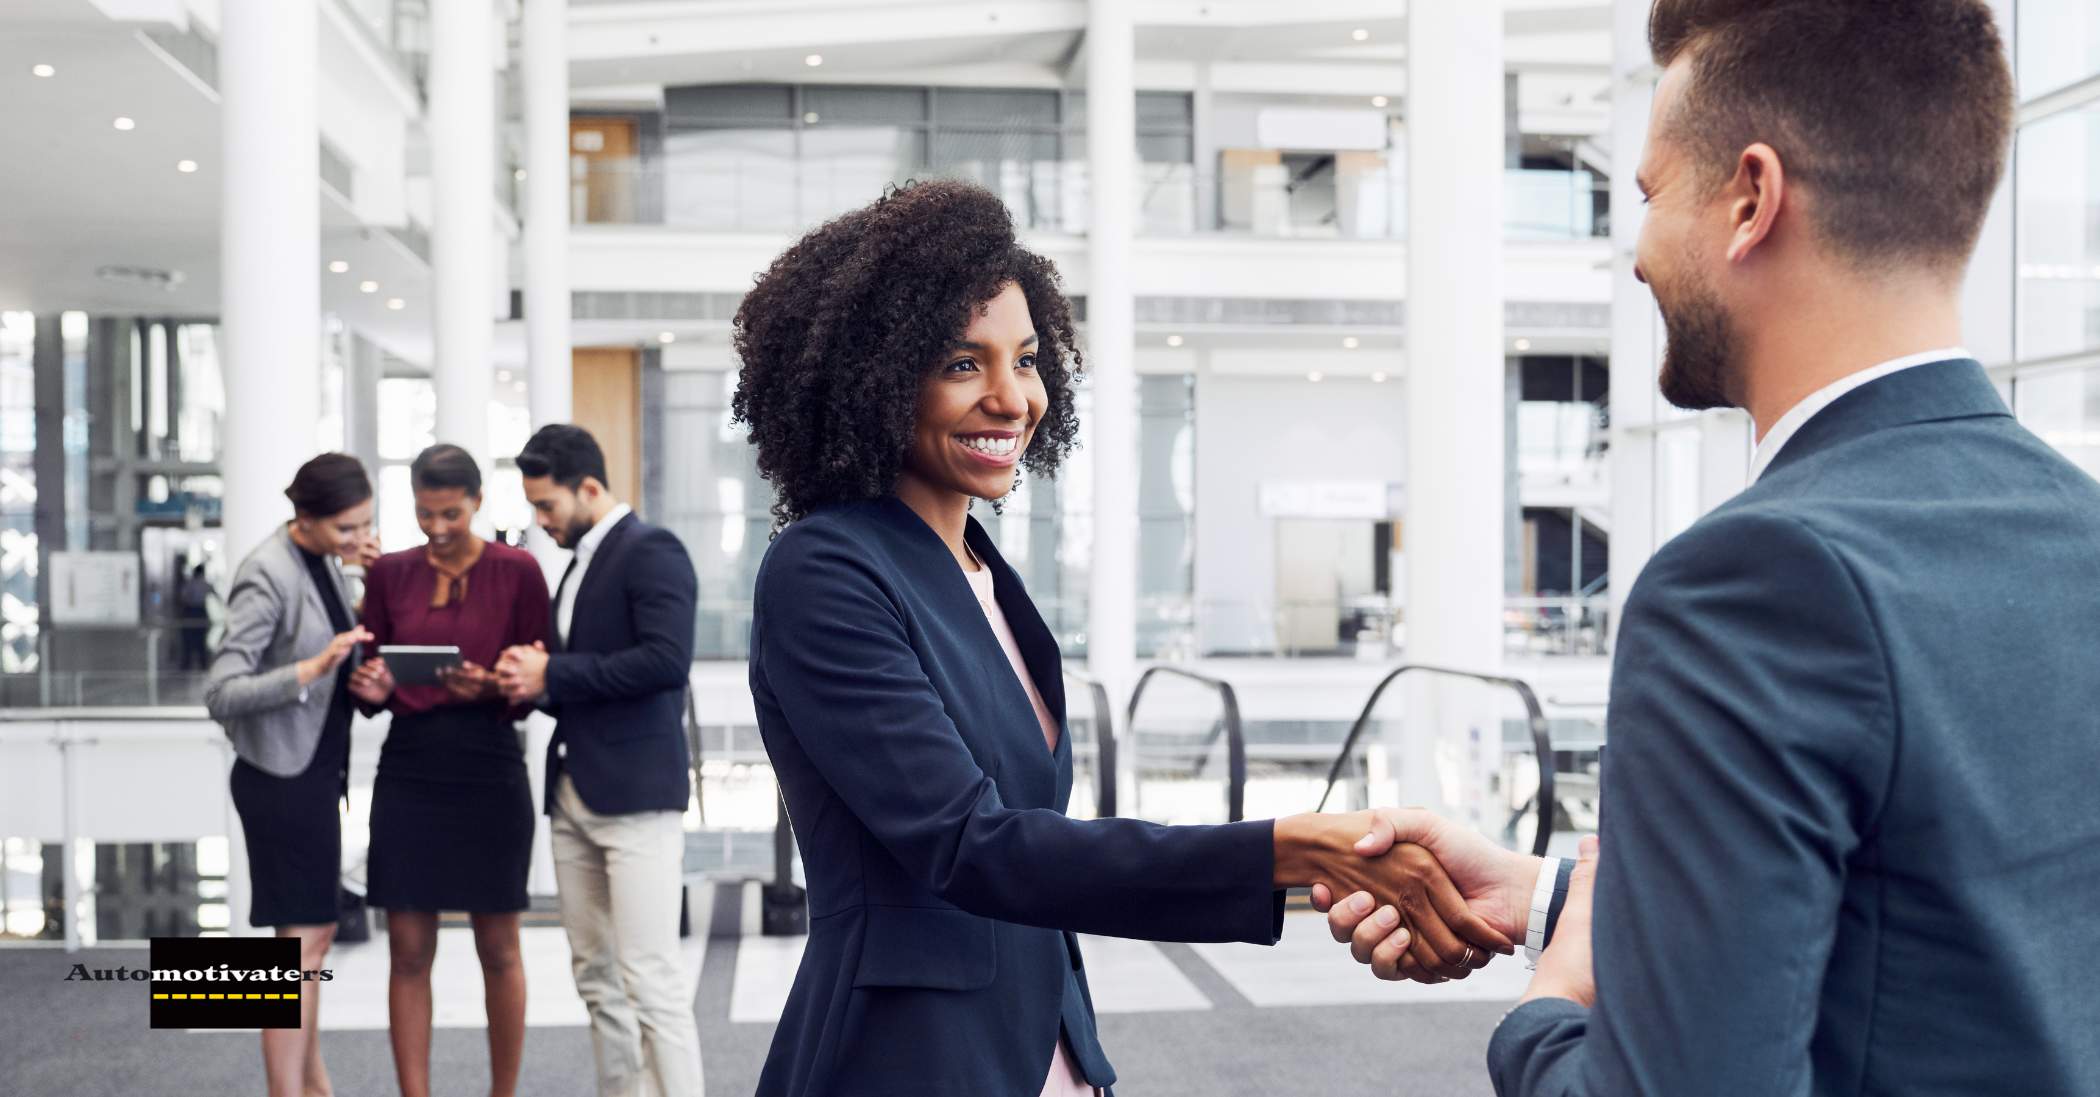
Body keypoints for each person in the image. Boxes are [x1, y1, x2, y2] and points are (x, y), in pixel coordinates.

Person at [1318, 3, 2100, 1095]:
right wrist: (1563, 899)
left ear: (1749, 198)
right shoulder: (2079, 529)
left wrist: (1545, 1010)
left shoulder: (1752, 579)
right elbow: (1947, 936)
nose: (1635, 251)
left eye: (1646, 195)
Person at [730, 179, 1513, 1097]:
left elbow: (1039, 861)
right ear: (876, 375)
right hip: (907, 1058)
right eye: (960, 363)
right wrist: (1288, 848)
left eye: (1024, 360)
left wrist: (1082, 1061)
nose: (1010, 397)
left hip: (1044, 1054)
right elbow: (974, 847)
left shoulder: (984, 574)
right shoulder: (826, 571)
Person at [493, 424, 705, 1097]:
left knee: (650, 977)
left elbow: (666, 662)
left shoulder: (652, 549)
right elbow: (592, 679)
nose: (539, 520)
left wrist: (554, 671)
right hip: (575, 792)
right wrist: (532, 682)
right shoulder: (581, 560)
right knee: (596, 975)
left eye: (547, 505)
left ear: (589, 487)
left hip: (636, 797)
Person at [346, 444, 549, 1097]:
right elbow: (368, 674)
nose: (436, 526)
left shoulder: (518, 571)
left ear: (479, 502)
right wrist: (370, 686)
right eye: (424, 512)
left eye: (451, 513)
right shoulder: (391, 574)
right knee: (407, 948)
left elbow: (540, 680)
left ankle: (503, 1093)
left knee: (499, 944)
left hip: (489, 764)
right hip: (410, 765)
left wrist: (493, 684)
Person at [204, 452, 376, 1097]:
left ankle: (313, 1087)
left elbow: (340, 639)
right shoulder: (267, 573)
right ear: (304, 518)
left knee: (315, 940)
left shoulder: (326, 563)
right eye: (346, 528)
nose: (358, 538)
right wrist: (310, 670)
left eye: (364, 524)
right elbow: (222, 691)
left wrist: (367, 576)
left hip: (312, 775)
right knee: (295, 954)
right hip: (279, 780)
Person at [177, 562, 214, 671]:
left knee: (188, 641)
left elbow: (183, 598)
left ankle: (187, 664)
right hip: (199, 612)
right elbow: (216, 595)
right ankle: (203, 664)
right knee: (201, 640)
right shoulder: (205, 584)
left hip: (190, 611)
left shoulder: (189, 584)